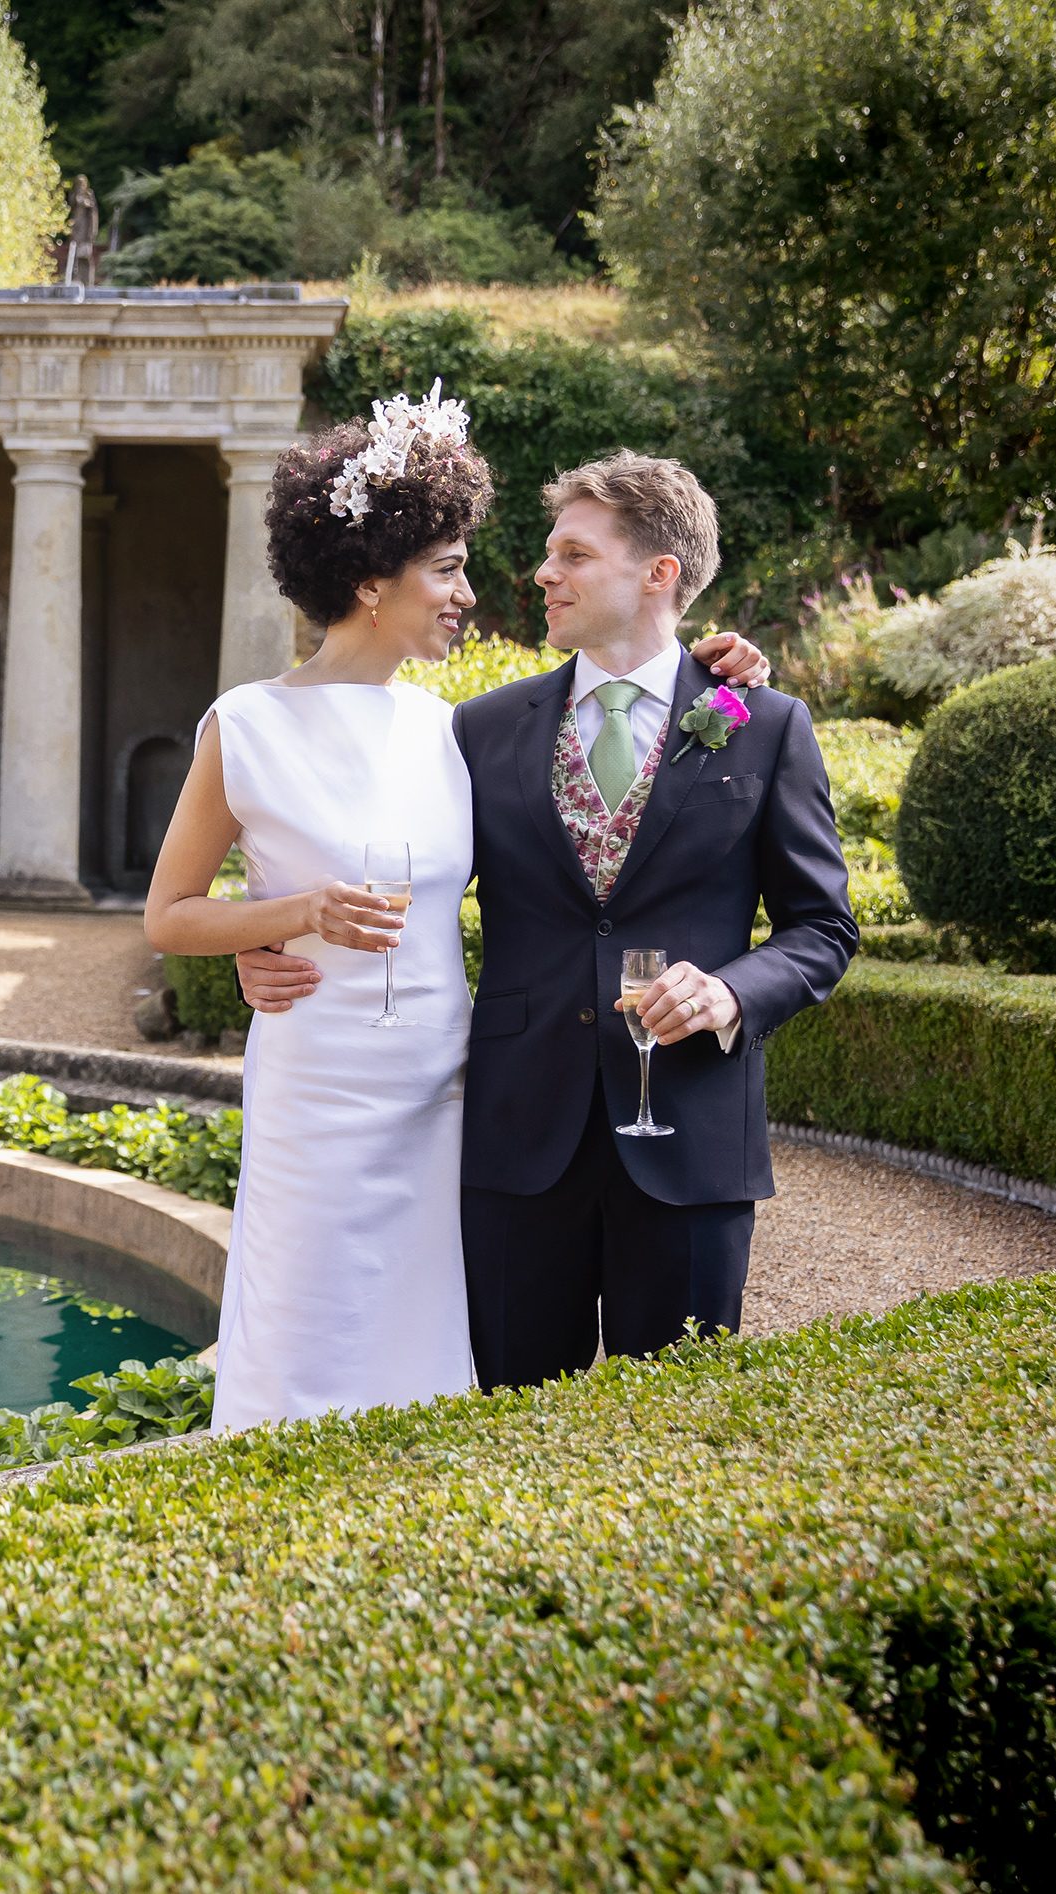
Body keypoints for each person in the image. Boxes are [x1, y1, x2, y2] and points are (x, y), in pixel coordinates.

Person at [144, 394, 771, 1427]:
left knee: (435, 1341)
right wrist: (278, 920)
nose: (470, 593)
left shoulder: (455, 732)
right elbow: (168, 914)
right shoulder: (245, 725)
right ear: (366, 579)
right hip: (316, 1087)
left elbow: (612, 801)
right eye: (445, 568)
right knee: (304, 1325)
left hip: (447, 1095)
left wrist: (726, 674)